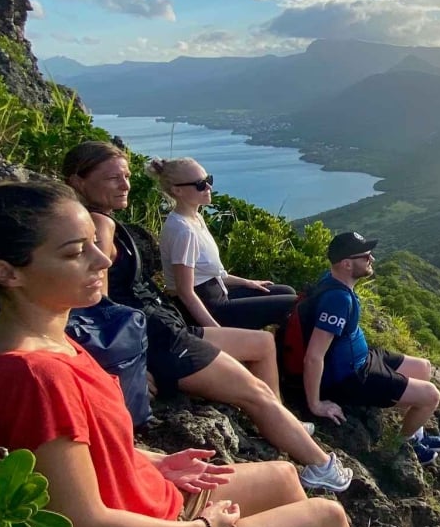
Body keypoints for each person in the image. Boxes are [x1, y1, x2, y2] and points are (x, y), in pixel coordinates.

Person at [0, 181, 432, 527]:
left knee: (284, 478)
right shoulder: (35, 374)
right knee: (326, 515)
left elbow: (73, 457)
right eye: (74, 251)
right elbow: (81, 526)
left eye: (93, 244)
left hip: (135, 523)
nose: (103, 259)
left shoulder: (33, 338)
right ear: (7, 272)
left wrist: (149, 464)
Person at [61, 141, 351, 494]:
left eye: (126, 176)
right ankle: (321, 467)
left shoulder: (103, 221)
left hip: (164, 325)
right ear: (78, 181)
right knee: (254, 392)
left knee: (260, 344)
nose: (125, 185)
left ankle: (283, 424)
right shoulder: (99, 226)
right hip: (159, 337)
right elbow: (97, 305)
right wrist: (128, 365)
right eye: (112, 178)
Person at [285, 231, 440, 464]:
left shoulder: (333, 280)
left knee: (423, 367)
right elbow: (314, 356)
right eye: (365, 256)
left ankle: (416, 436)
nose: (371, 259)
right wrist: (316, 404)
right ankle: (400, 446)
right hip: (352, 377)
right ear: (346, 264)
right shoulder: (337, 300)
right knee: (431, 396)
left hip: (363, 358)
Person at [148, 157, 297, 331]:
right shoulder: (184, 231)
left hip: (218, 294)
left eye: (208, 180)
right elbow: (185, 292)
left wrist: (247, 282)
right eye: (200, 184)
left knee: (287, 291)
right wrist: (220, 333)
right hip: (208, 308)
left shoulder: (195, 219)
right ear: (177, 191)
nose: (209, 187)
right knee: (291, 304)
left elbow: (207, 274)